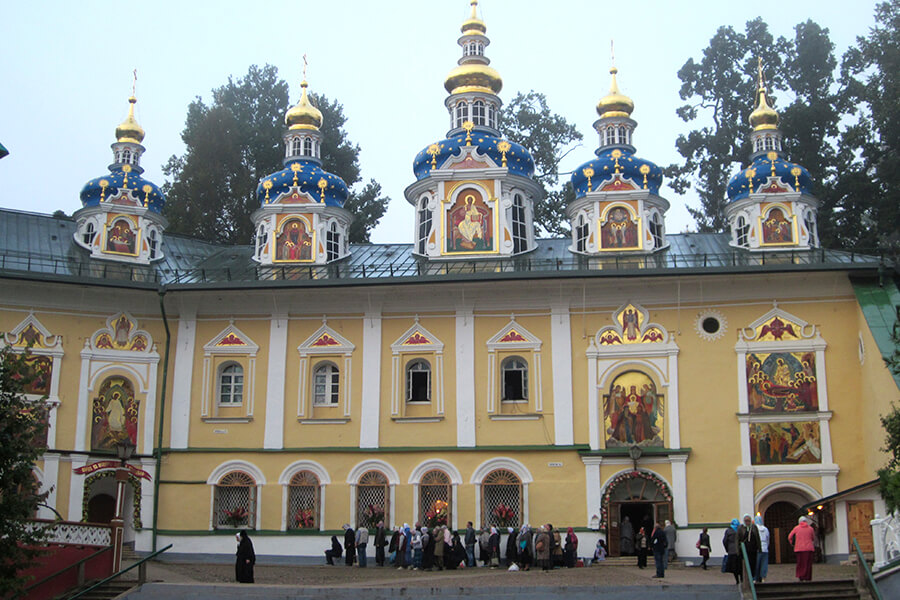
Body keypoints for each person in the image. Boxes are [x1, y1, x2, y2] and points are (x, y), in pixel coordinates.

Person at [788, 516, 815, 582]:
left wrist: (792, 543)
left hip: (799, 548)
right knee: (808, 563)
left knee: (800, 563)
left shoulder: (796, 528)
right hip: (808, 548)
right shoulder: (810, 528)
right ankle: (807, 576)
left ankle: (801, 576)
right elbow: (813, 538)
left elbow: (790, 537)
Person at [738, 513, 761, 581]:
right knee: (743, 565)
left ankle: (752, 577)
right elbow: (738, 539)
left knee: (753, 564)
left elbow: (757, 538)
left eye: (748, 521)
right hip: (744, 550)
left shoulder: (754, 527)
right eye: (746, 521)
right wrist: (738, 550)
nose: (747, 522)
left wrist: (759, 548)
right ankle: (744, 578)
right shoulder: (741, 528)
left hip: (753, 550)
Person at [723, 519, 741, 584]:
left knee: (734, 567)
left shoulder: (728, 531)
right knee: (740, 566)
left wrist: (727, 549)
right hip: (739, 551)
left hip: (731, 551)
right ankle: (741, 579)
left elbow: (725, 541)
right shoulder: (740, 530)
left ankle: (737, 580)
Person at [755, 515, 770, 583]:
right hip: (765, 548)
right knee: (764, 564)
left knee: (756, 564)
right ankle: (763, 577)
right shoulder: (765, 529)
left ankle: (755, 578)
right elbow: (768, 539)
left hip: (757, 548)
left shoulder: (754, 528)